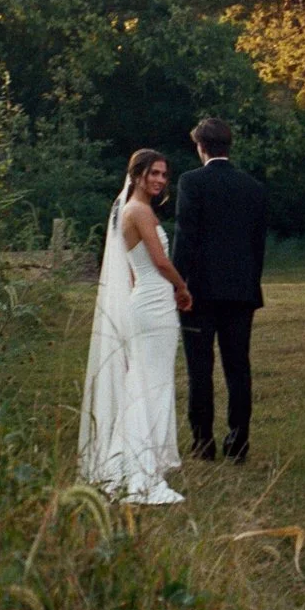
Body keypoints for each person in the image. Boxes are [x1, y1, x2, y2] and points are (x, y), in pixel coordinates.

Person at [77, 150, 192, 505]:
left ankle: (129, 461)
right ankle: (141, 470)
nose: (160, 180)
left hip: (147, 301)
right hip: (155, 304)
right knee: (150, 383)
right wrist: (182, 287)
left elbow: (132, 267)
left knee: (144, 381)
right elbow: (160, 262)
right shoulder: (139, 211)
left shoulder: (129, 211)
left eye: (164, 175)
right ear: (137, 174)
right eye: (153, 173)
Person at [173, 116, 268, 463]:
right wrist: (250, 282)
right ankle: (238, 443)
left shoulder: (191, 182)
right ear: (229, 145)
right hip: (241, 292)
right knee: (238, 368)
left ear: (201, 147)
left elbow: (186, 236)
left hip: (199, 292)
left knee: (200, 369)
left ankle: (203, 443)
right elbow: (258, 244)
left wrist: (178, 284)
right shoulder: (253, 187)